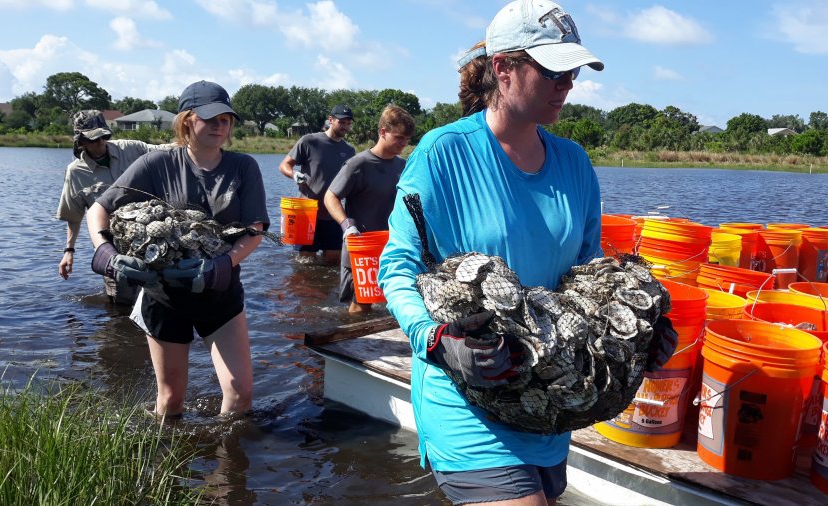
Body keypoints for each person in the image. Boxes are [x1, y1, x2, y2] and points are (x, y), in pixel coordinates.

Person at [378, 1, 672, 504]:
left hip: (545, 395)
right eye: (554, 69)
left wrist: (637, 328)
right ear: (503, 68)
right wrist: (434, 340)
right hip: (465, 386)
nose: (568, 83)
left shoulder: (574, 163)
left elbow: (588, 276)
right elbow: (396, 265)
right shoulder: (443, 154)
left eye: (574, 70)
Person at [85, 80, 270, 418]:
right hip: (165, 297)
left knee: (240, 393)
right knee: (171, 399)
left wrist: (223, 265)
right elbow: (99, 208)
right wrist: (106, 254)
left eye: (226, 119)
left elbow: (255, 229)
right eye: (210, 118)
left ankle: (227, 467)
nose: (220, 125)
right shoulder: (156, 163)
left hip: (220, 292)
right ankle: (164, 463)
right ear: (187, 120)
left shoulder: (243, 167)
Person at [56, 110, 172, 305]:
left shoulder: (131, 149)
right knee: (121, 304)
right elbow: (73, 215)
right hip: (112, 248)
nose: (101, 143)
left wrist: (193, 140)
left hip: (151, 239)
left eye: (104, 136)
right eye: (93, 139)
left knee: (161, 299)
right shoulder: (75, 172)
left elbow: (164, 150)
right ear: (80, 141)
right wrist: (69, 251)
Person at [323, 105, 415, 313]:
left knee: (392, 302)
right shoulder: (358, 164)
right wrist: (347, 226)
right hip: (361, 246)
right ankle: (351, 345)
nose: (403, 144)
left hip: (389, 245)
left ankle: (375, 347)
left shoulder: (403, 166)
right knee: (360, 305)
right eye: (399, 137)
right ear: (383, 132)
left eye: (407, 139)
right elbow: (331, 196)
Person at [278, 104, 355, 263]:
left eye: (348, 123)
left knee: (334, 259)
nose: (345, 127)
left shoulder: (349, 151)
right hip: (306, 213)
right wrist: (294, 174)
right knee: (305, 262)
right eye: (342, 122)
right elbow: (284, 165)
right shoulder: (309, 141)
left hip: (332, 214)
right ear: (331, 120)